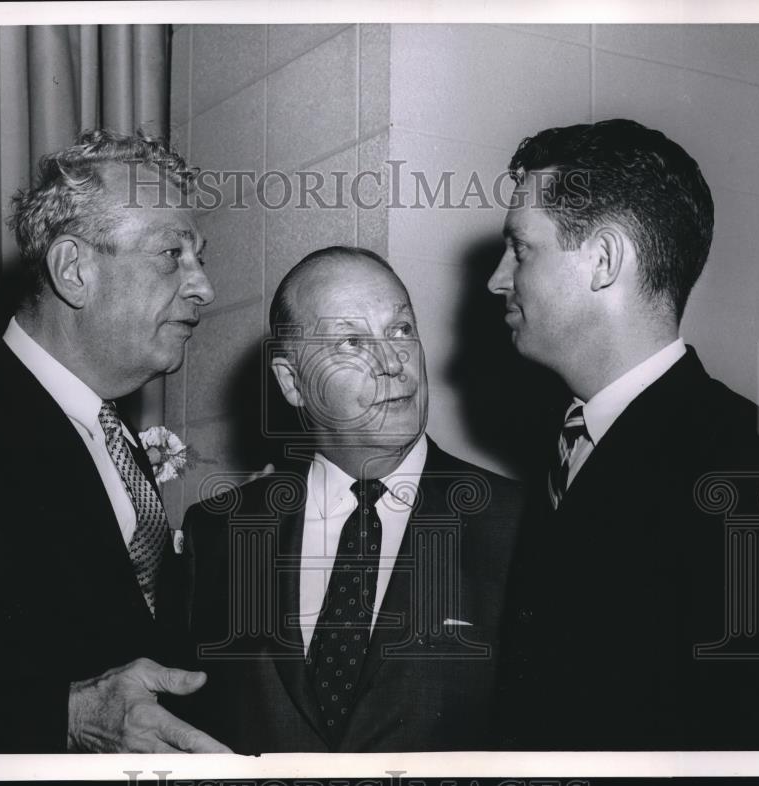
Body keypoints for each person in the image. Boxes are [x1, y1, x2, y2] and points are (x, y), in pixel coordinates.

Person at [0, 129, 230, 753]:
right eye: (171, 255)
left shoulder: (119, 444)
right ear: (75, 270)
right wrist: (65, 716)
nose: (203, 286)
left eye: (200, 257)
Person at [488, 119, 759, 749]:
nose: (497, 279)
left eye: (521, 249)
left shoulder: (753, 472)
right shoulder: (564, 445)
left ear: (605, 260)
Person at [178, 246, 525, 752]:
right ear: (292, 383)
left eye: (401, 329)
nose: (392, 363)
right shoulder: (219, 533)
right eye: (350, 342)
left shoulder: (519, 525)